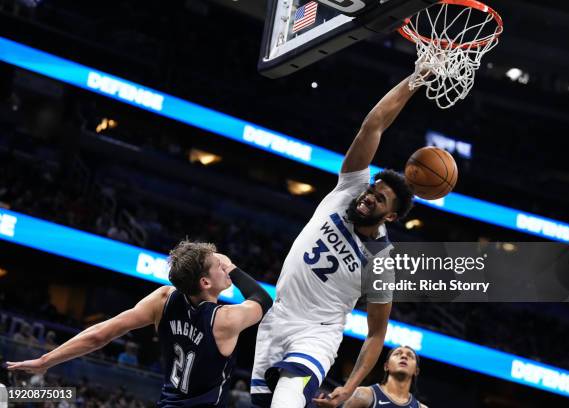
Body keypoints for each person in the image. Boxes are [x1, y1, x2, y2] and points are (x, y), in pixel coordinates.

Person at [250, 72, 420, 408]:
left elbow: (376, 334)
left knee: (288, 398)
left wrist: (349, 386)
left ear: (389, 217)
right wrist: (414, 81)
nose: (370, 196)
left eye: (380, 199)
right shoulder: (348, 191)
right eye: (374, 188)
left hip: (317, 334)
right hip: (278, 317)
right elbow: (373, 126)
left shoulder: (381, 261)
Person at [7, 240, 272, 407]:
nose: (224, 267)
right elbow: (262, 298)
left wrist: (45, 361)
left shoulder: (163, 298)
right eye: (219, 266)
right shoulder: (225, 319)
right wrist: (234, 267)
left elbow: (100, 334)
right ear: (205, 282)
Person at [343, 346, 427, 408]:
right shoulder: (363, 395)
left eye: (410, 356)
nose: (404, 356)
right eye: (397, 354)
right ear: (386, 366)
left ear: (416, 371)